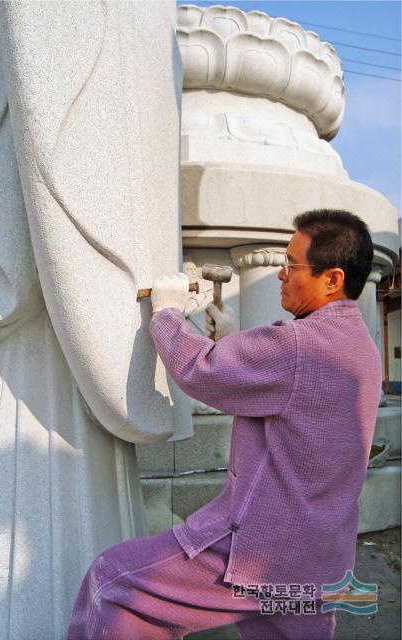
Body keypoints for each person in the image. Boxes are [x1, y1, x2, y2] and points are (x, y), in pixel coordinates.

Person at [67, 209, 382, 640]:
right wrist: (234, 341)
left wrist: (167, 313)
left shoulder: (297, 345)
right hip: (319, 560)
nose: (280, 276)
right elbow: (284, 393)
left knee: (115, 580)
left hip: (261, 555)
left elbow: (202, 370)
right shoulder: (360, 347)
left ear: (332, 279)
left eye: (291, 265)